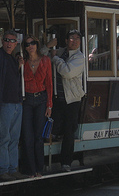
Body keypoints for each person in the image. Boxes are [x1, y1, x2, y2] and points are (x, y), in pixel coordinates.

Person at [0, 31, 26, 181]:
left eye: (12, 41)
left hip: (17, 104)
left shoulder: (13, 59)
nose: (9, 43)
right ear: (2, 42)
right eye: (7, 40)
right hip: (4, 104)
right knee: (4, 137)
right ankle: (3, 170)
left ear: (16, 44)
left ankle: (12, 168)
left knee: (14, 138)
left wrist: (19, 65)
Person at [50, 30, 85, 172]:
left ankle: (66, 162)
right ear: (66, 40)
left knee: (69, 131)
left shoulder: (79, 57)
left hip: (72, 99)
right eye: (72, 38)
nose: (75, 41)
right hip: (57, 98)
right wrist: (48, 46)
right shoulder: (60, 52)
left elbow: (67, 72)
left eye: (77, 38)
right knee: (55, 128)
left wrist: (55, 59)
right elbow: (43, 53)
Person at [21, 35, 53, 178]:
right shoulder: (23, 61)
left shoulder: (45, 60)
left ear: (37, 45)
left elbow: (50, 84)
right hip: (26, 100)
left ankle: (39, 168)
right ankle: (30, 170)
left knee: (38, 137)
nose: (30, 46)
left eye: (33, 43)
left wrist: (49, 105)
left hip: (41, 99)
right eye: (27, 44)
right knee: (28, 136)